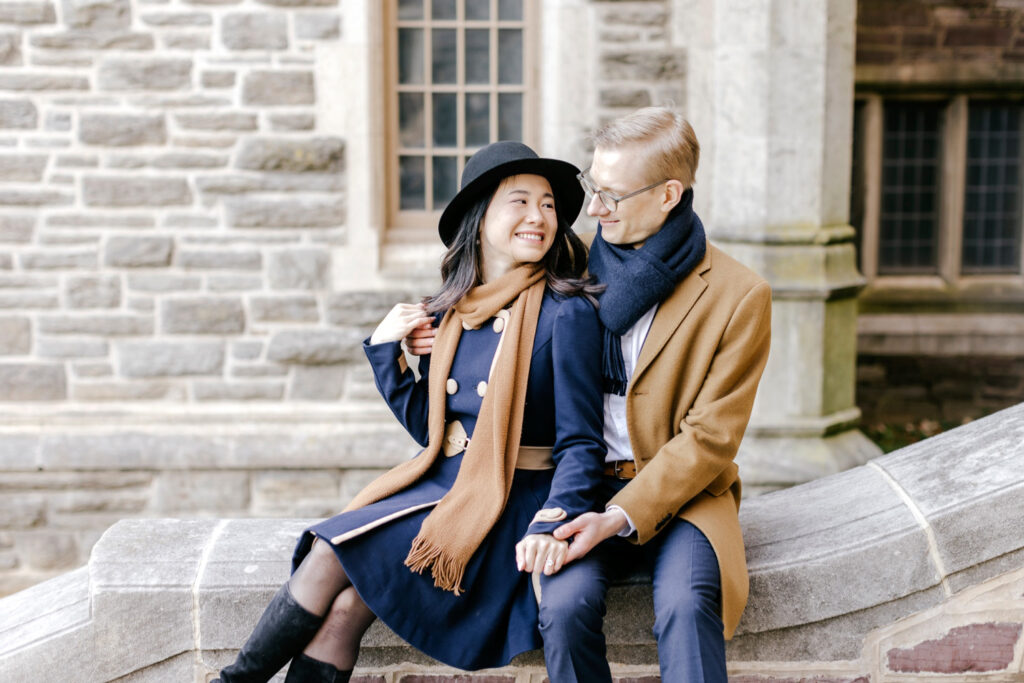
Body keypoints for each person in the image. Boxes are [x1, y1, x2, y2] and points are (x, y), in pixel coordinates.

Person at [211, 141, 607, 683]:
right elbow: (434, 430)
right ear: (481, 214)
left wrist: (551, 521)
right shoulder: (453, 310)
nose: (538, 217)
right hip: (441, 484)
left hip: (507, 500)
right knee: (348, 607)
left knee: (330, 553)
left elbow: (582, 444)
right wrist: (386, 351)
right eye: (519, 201)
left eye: (547, 205)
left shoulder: (567, 313)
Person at [408, 107, 772, 682]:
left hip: (684, 494)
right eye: (591, 188)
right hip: (574, 484)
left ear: (669, 195)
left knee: (687, 603)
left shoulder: (738, 295)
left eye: (612, 196)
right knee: (562, 606)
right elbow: (488, 289)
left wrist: (618, 518)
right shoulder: (569, 262)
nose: (594, 209)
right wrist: (421, 332)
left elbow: (710, 440)